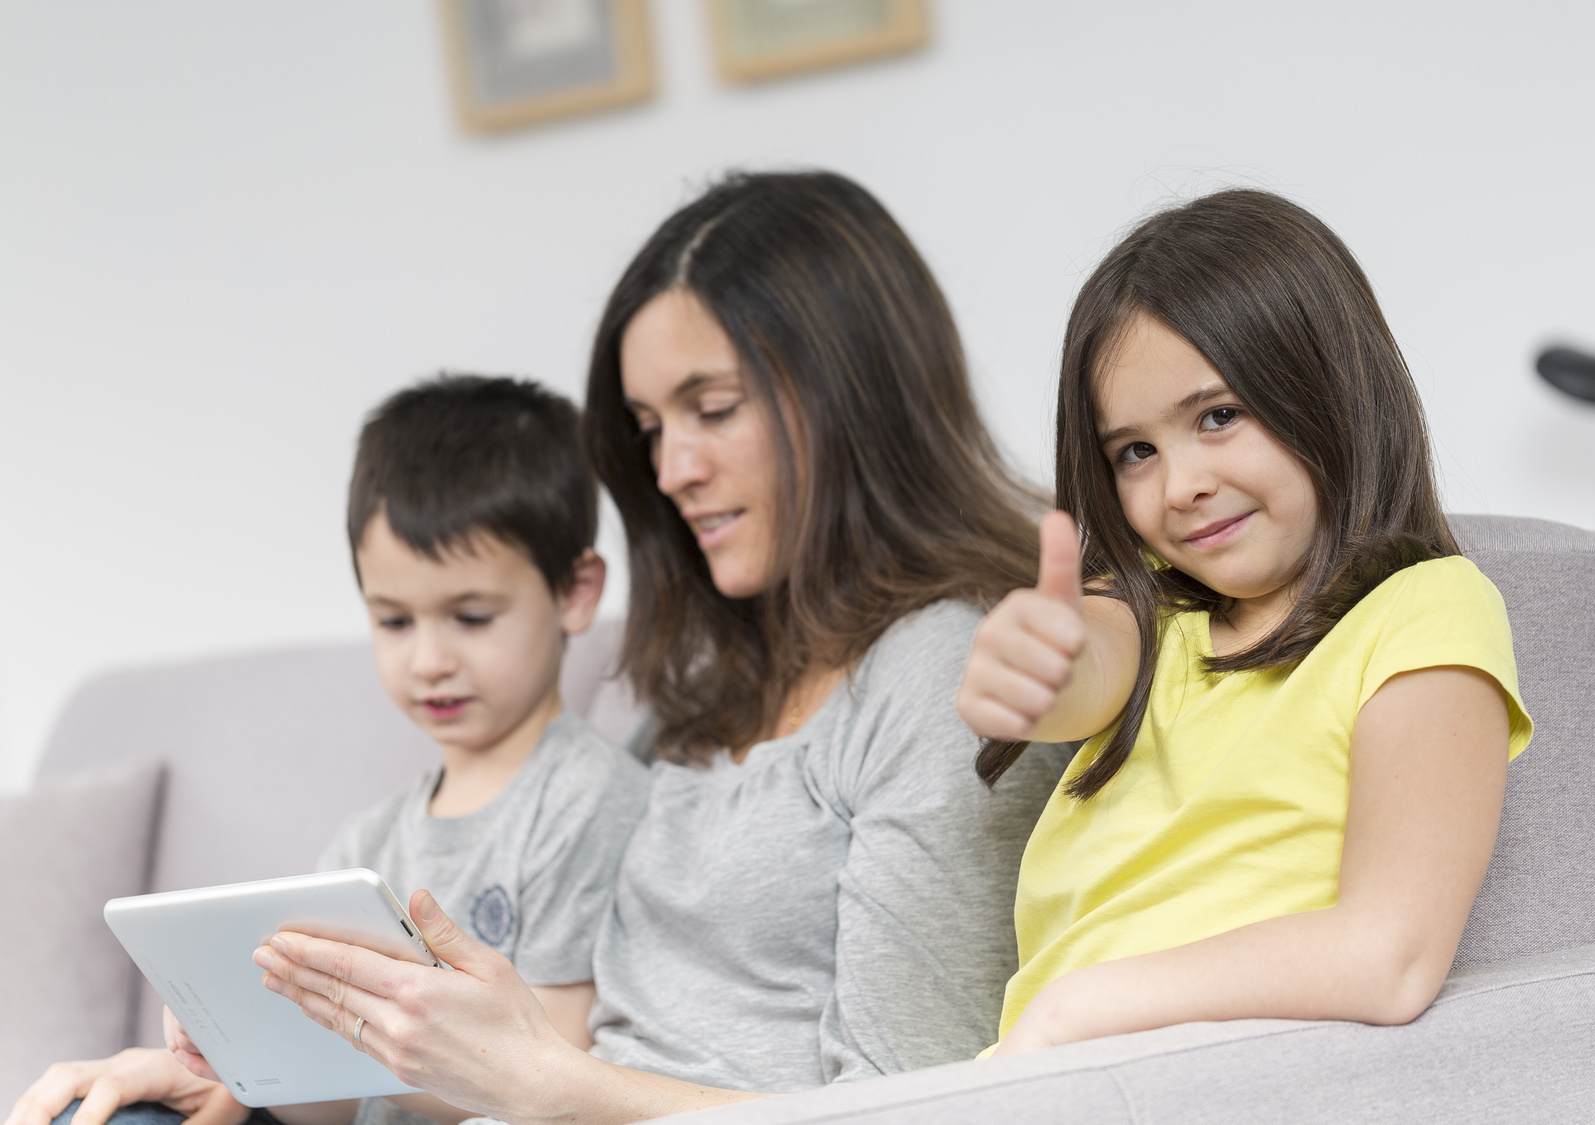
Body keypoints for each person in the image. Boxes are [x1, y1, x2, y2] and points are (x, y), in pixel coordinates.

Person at [9, 171, 1068, 1125]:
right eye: (650, 428)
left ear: (855, 402)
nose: (670, 470)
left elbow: (914, 1104)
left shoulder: (948, 676)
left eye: (709, 409)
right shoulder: (701, 697)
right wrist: (246, 1078)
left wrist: (530, 1079)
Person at [956, 188, 1535, 1056]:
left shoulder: (1426, 610)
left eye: (1219, 416)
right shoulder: (1152, 608)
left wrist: (1082, 1007)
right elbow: (1089, 665)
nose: (1179, 483)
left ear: (1328, 391)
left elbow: (1391, 953)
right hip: (1047, 1079)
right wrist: (1040, 666)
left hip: (1192, 1075)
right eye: (1135, 452)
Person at [8, 377, 649, 1125]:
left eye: (470, 616)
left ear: (576, 592)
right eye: (394, 620)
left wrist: (356, 1037)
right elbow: (333, 1107)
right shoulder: (367, 840)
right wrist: (248, 1054)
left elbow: (547, 1080)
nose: (429, 659)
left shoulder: (590, 800)